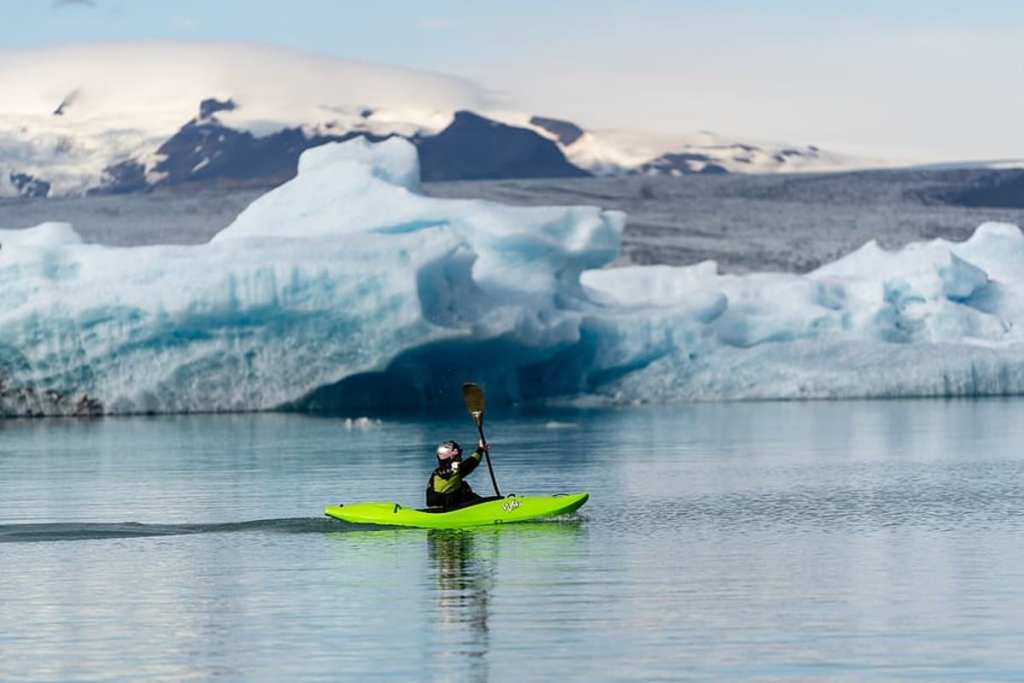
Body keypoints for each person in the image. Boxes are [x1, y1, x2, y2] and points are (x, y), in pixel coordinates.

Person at [426, 439, 489, 510]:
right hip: (447, 509)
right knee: (464, 488)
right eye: (459, 454)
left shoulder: (436, 473)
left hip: (437, 507)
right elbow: (471, 463)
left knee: (461, 484)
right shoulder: (455, 469)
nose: (460, 456)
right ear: (453, 454)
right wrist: (480, 450)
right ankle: (483, 508)